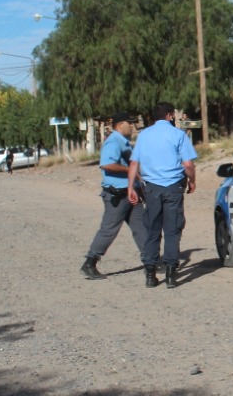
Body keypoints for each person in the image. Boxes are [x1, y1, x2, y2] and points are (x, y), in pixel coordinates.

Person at [128, 102, 197, 289]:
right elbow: (188, 164)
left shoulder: (144, 136)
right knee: (172, 230)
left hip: (151, 188)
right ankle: (171, 274)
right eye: (172, 114)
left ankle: (150, 273)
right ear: (168, 115)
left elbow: (134, 164)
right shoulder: (178, 135)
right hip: (173, 187)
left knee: (152, 230)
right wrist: (192, 181)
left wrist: (130, 188)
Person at [80, 112, 147, 280]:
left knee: (142, 228)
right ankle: (90, 262)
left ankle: (151, 261)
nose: (132, 126)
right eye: (129, 123)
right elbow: (107, 164)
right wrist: (130, 170)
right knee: (109, 230)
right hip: (117, 195)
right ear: (119, 125)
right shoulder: (113, 142)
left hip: (131, 193)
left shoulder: (123, 142)